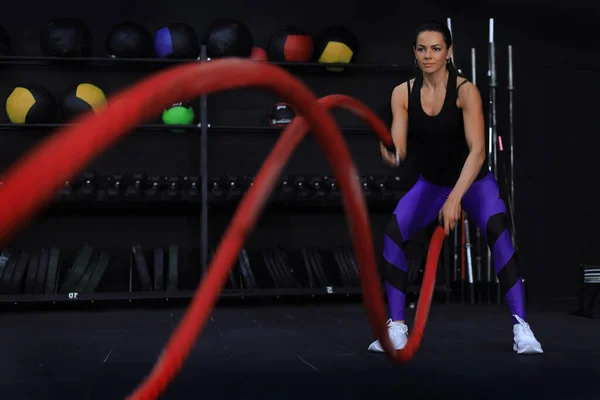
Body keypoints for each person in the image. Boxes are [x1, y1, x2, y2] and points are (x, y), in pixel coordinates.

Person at [368, 21, 543, 355]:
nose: (428, 55)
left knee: (498, 230)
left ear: (448, 53)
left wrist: (455, 200)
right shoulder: (402, 93)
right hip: (432, 184)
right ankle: (397, 327)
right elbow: (401, 146)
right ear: (415, 53)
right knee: (393, 232)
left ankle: (523, 328)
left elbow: (478, 152)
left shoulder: (465, 92)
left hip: (473, 182)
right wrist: (393, 155)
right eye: (422, 49)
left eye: (436, 48)